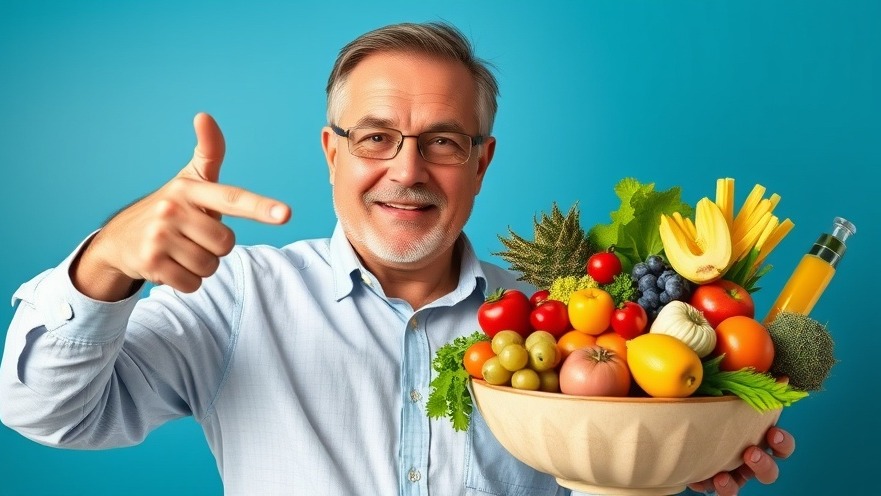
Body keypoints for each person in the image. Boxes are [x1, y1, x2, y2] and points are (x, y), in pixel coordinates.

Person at [0, 22, 793, 496]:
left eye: (442, 142)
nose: (407, 171)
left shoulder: (565, 332)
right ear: (330, 153)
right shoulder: (239, 296)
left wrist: (666, 463)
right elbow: (48, 414)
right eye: (375, 137)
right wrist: (107, 263)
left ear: (480, 164)